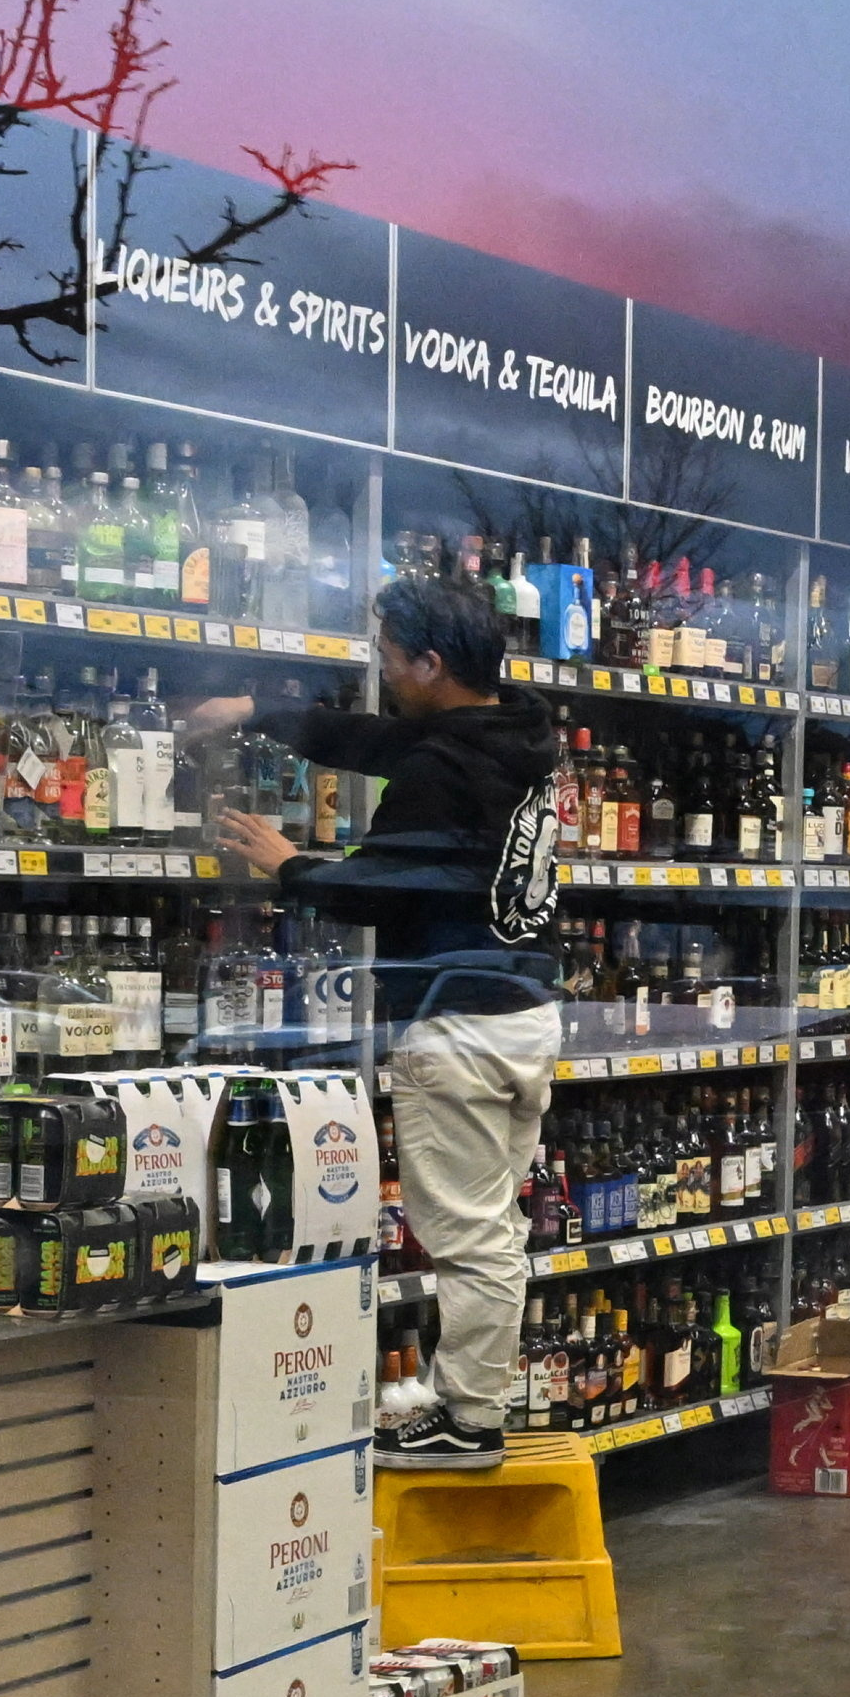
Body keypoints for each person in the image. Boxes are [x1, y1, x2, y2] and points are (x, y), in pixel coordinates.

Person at [199, 572, 561, 1469]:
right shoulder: (512, 733)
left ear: (431, 663)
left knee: (467, 1237)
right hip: (522, 1014)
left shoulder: (443, 770)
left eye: (390, 656)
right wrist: (263, 708)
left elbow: (380, 883)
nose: (382, 670)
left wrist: (293, 865)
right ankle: (469, 1400)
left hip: (457, 1024)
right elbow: (383, 740)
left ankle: (468, 1421)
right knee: (495, 1230)